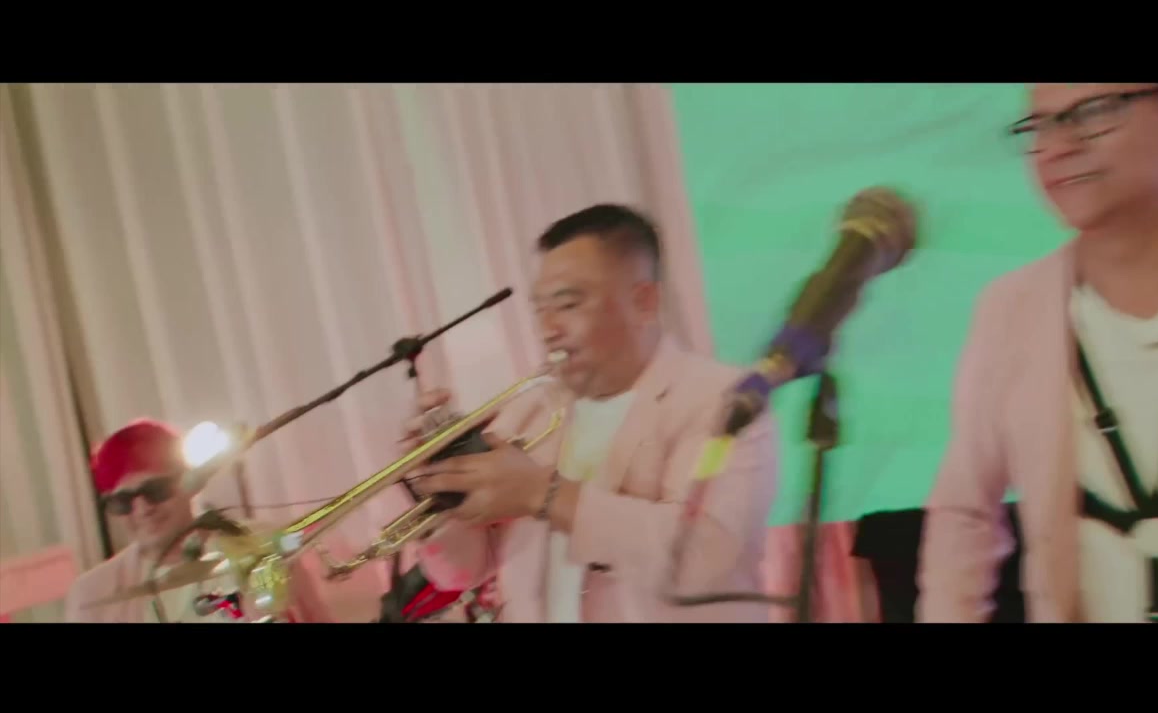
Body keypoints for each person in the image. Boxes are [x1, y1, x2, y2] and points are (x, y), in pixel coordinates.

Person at [918, 83, 1158, 623]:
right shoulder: (1010, 310)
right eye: (1041, 126)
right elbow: (964, 515)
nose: (1058, 147)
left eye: (1094, 113)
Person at [402, 203, 779, 622]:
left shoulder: (722, 399)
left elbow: (702, 555)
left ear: (643, 301)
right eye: (540, 309)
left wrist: (543, 494)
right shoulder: (533, 410)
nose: (548, 329)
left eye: (568, 304)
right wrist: (440, 488)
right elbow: (460, 572)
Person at [64, 419, 334, 623]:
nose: (142, 509)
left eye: (156, 490)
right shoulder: (93, 593)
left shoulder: (262, 544)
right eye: (123, 501)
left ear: (191, 483)